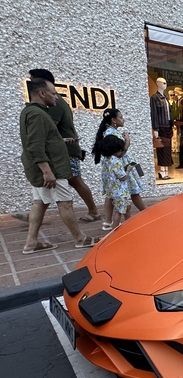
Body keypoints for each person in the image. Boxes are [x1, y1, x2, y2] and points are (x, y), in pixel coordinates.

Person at [19, 78, 99, 254]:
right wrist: (47, 172)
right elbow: (35, 145)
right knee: (65, 203)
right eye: (54, 93)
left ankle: (31, 243)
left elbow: (41, 140)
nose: (56, 98)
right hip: (52, 168)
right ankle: (80, 239)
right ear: (42, 93)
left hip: (44, 168)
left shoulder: (31, 112)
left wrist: (60, 140)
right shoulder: (37, 115)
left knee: (39, 203)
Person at [28, 69, 100, 223]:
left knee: (74, 181)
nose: (30, 83)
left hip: (65, 151)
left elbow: (48, 131)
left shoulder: (53, 104)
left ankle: (93, 212)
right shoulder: (51, 103)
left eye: (33, 80)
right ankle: (35, 217)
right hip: (64, 149)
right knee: (53, 185)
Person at [94, 108, 146, 230]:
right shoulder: (111, 135)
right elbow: (121, 152)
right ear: (114, 120)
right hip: (122, 167)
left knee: (113, 196)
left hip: (121, 168)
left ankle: (109, 222)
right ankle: (144, 212)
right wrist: (127, 140)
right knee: (133, 192)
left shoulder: (110, 132)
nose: (123, 119)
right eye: (121, 117)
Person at [97, 135, 133, 228]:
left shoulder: (106, 160)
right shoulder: (116, 161)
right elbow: (123, 177)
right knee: (120, 211)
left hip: (111, 190)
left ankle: (130, 224)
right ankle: (115, 229)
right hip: (120, 191)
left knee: (126, 208)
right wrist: (128, 170)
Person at [150, 77, 173, 180]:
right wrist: (155, 129)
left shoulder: (166, 98)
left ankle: (165, 171)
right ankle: (162, 171)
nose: (165, 84)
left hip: (168, 127)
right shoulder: (155, 98)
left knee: (167, 149)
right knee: (162, 149)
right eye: (163, 82)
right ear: (158, 83)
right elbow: (154, 114)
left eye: (166, 82)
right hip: (161, 127)